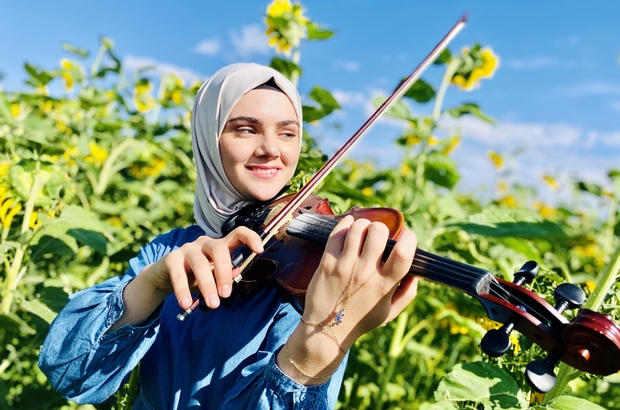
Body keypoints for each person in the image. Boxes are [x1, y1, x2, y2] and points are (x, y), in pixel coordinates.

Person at [39, 63, 419, 409]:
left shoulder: (315, 280)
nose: (271, 149)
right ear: (208, 137)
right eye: (245, 129)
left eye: (287, 133)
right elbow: (70, 374)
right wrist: (152, 284)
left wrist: (319, 347)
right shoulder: (169, 248)